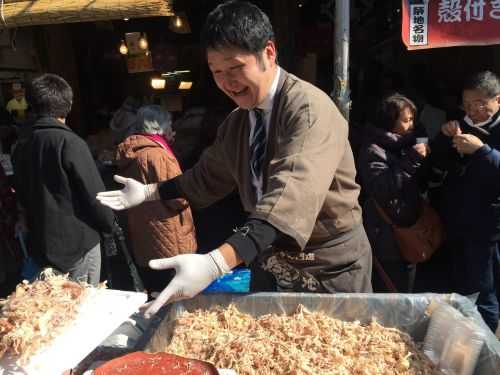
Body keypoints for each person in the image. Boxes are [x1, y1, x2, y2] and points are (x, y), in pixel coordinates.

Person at [97, 1, 372, 317]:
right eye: (216, 72)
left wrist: (215, 264)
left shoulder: (307, 110)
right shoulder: (239, 122)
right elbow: (205, 179)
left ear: (268, 53)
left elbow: (289, 198)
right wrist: (150, 192)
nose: (227, 82)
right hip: (268, 258)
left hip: (328, 264)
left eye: (235, 68)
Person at [12, 73, 115, 286]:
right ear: (68, 105)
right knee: (83, 306)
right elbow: (95, 197)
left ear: (33, 104)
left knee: (60, 309)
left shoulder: (21, 146)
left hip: (42, 246)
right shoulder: (70, 142)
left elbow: (21, 195)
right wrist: (110, 225)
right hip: (79, 245)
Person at [430, 71, 500, 333]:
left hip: (488, 225)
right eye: (468, 104)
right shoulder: (460, 124)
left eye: (481, 103)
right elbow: (436, 165)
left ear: (498, 101)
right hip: (456, 220)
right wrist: (443, 139)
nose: (474, 110)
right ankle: (463, 341)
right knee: (461, 286)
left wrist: (482, 151)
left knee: (485, 291)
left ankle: (487, 349)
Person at [115, 105, 197, 293]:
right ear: (158, 127)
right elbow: (177, 197)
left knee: (155, 288)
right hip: (169, 232)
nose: (171, 128)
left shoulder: (133, 151)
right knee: (174, 291)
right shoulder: (158, 154)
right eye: (169, 124)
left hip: (144, 232)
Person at [358, 94, 430, 293]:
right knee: (393, 290)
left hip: (409, 226)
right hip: (386, 234)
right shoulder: (373, 150)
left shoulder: (407, 143)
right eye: (406, 120)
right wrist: (412, 160)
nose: (411, 125)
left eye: (412, 119)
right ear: (389, 121)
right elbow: (382, 188)